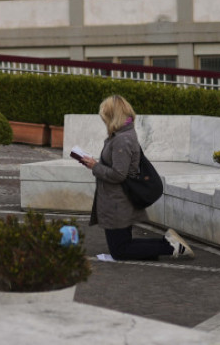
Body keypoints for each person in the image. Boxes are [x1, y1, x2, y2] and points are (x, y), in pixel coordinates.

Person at [79, 94, 194, 261]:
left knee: (120, 251)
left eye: (105, 117)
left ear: (112, 116)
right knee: (123, 246)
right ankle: (168, 244)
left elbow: (119, 174)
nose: (104, 121)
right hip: (117, 201)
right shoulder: (124, 133)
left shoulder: (122, 140)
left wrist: (94, 166)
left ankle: (170, 247)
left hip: (117, 202)